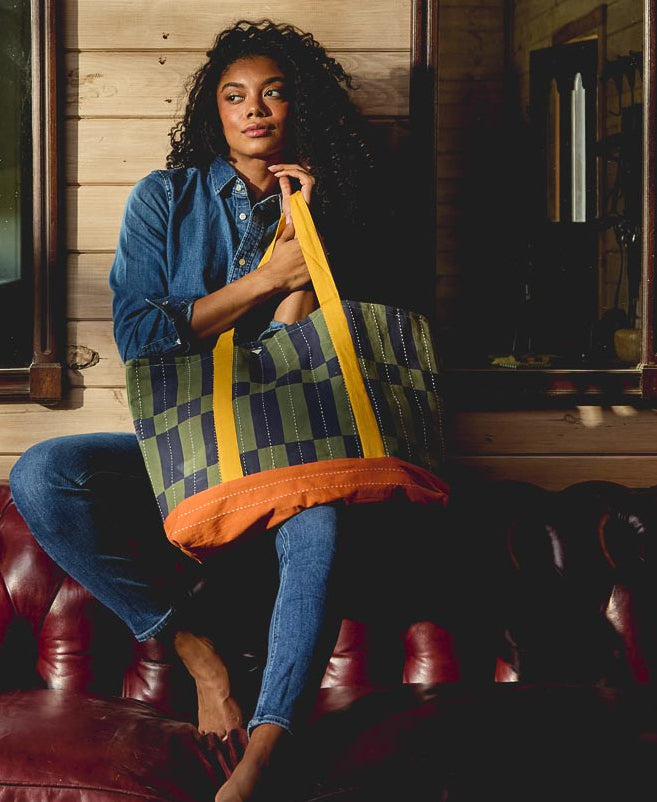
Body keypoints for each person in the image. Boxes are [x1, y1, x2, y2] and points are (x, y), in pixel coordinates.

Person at [9, 18, 391, 802]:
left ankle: (266, 747)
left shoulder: (337, 210)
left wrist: (305, 252)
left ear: (298, 108)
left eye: (274, 93)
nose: (255, 109)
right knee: (48, 472)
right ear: (213, 113)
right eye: (235, 95)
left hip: (283, 450)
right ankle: (197, 653)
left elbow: (293, 360)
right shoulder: (166, 198)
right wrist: (260, 279)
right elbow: (143, 339)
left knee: (322, 517)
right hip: (181, 447)